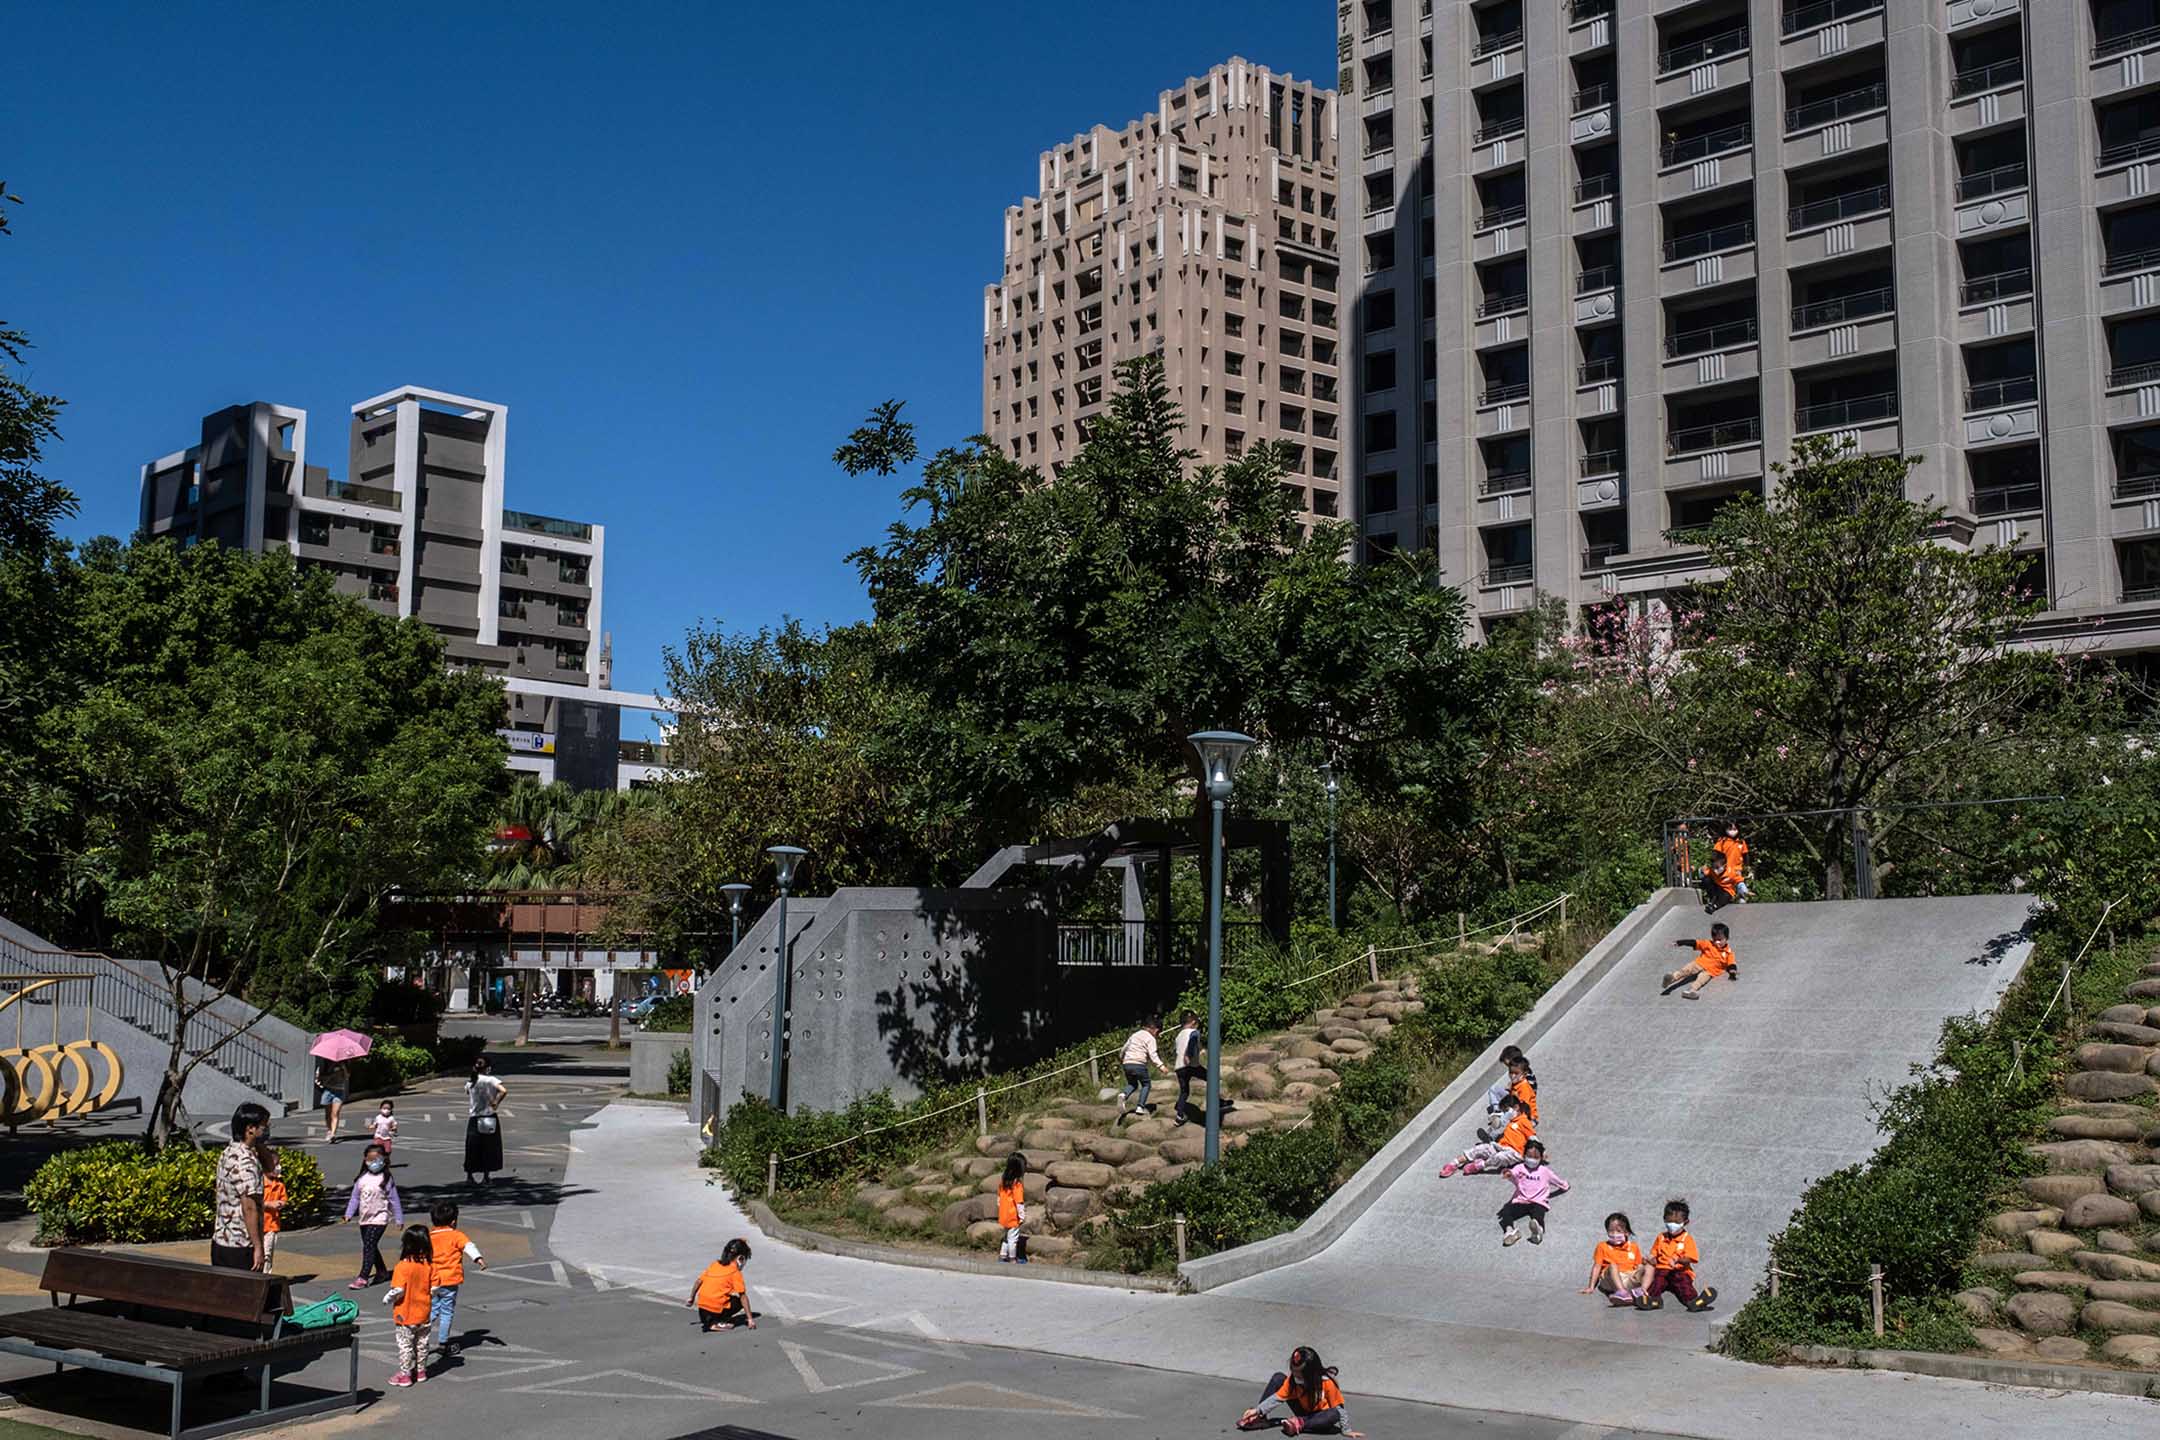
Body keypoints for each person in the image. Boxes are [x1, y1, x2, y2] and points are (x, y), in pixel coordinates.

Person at [1236, 1346, 1358, 1436]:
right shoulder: (1293, 1380)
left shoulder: (1327, 1383)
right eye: (1293, 1372)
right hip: (1302, 1410)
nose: (1295, 1377)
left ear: (1311, 1374)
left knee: (1334, 1413)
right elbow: (1277, 1398)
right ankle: (1260, 1419)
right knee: (1278, 1378)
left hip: (1318, 1419)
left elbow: (1340, 1410)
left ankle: (1298, 1424)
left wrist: (1346, 1430)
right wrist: (1258, 1410)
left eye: (1299, 1375)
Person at [427, 1200, 488, 1361]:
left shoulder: (428, 1236)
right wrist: (478, 1259)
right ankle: (443, 1343)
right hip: (450, 1281)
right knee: (446, 1312)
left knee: (432, 1310)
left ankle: (421, 1337)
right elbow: (469, 1246)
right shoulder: (456, 1235)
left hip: (431, 1280)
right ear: (453, 1221)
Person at [213, 1103, 270, 1272]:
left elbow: (270, 1167)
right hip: (241, 1245)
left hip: (222, 1240)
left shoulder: (230, 1151)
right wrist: (258, 1247)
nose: (267, 1130)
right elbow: (249, 1207)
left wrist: (258, 1144)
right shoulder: (245, 1163)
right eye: (264, 1126)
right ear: (250, 1129)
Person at [342, 1143, 403, 1289]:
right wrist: (348, 1214)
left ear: (384, 1160)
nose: (374, 1163)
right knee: (370, 1246)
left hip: (380, 1218)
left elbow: (394, 1200)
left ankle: (363, 1277)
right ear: (365, 1159)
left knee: (369, 1245)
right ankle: (381, 1271)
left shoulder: (386, 1179)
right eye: (371, 1159)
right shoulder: (362, 1179)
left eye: (378, 1160)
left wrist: (399, 1218)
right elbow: (355, 1198)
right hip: (365, 1219)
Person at [1640, 1198, 1717, 1313]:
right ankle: (1653, 1300)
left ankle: (1694, 1301)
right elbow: (1654, 1255)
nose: (1673, 1225)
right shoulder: (1661, 1237)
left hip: (1679, 1271)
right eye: (1670, 1222)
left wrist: (1678, 1260)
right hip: (1662, 1271)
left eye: (1677, 1223)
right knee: (1658, 1280)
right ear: (1664, 1220)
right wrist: (1649, 1259)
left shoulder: (1687, 1239)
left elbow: (1691, 1258)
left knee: (1682, 1282)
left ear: (1685, 1222)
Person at [383, 1224, 436, 1386]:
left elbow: (398, 1290)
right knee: (422, 1343)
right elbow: (435, 1288)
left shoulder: (402, 1266)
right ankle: (421, 1371)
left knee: (405, 1345)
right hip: (424, 1312)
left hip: (405, 1314)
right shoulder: (429, 1265)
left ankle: (405, 1374)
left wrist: (387, 1298)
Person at [1437, 1092, 1534, 1177]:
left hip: (1515, 1153)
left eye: (1506, 1110)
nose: (1504, 1114)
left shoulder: (1524, 1121)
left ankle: (1480, 1165)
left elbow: (1532, 1137)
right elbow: (1498, 1129)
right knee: (1480, 1149)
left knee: (1499, 1157)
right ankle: (1454, 1163)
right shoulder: (1510, 1122)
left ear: (1516, 1108)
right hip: (1500, 1147)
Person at [1497, 1139, 1569, 1246]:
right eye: (1529, 1156)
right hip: (1521, 1201)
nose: (1532, 1160)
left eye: (1535, 1157)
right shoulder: (1520, 1168)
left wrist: (1564, 1185)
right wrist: (1508, 1173)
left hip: (1538, 1202)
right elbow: (1513, 1173)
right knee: (1506, 1212)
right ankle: (1510, 1231)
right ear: (1524, 1155)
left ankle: (1538, 1232)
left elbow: (1557, 1181)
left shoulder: (1545, 1171)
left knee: (1538, 1215)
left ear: (1541, 1158)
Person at [686, 1238, 756, 1332]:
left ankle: (712, 1321)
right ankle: (717, 1322)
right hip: (714, 1310)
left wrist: (691, 1298)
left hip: (702, 1308)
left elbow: (698, 1282)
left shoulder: (714, 1265)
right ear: (740, 1258)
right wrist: (750, 1319)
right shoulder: (735, 1272)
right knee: (738, 1301)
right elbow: (743, 1296)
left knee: (725, 1298)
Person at [1582, 1211, 1651, 1306]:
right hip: (1610, 1279)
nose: (1614, 1234)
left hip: (1628, 1278)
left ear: (1626, 1232)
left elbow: (1637, 1267)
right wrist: (1591, 1287)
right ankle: (1622, 1293)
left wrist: (1645, 1265)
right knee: (1613, 1266)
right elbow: (1597, 1267)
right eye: (1611, 1231)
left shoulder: (1633, 1247)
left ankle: (1641, 1291)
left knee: (1649, 1266)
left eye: (1618, 1231)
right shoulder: (1602, 1246)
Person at [1661, 923, 1738, 1000]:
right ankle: (1671, 978)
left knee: (1701, 980)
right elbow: (1695, 942)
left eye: (1720, 940)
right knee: (1686, 970)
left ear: (1727, 938)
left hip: (1710, 971)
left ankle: (1690, 991)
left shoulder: (1728, 952)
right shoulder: (1708, 944)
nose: (1717, 942)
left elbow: (1731, 963)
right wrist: (1680, 942)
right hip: (1699, 963)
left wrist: (1732, 973)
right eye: (1715, 940)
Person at [464, 1056, 507, 1185]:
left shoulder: (470, 1082)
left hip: (474, 1117)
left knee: (472, 1147)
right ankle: (486, 1177)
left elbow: (468, 1093)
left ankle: (470, 1177)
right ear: (487, 1068)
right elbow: (504, 1091)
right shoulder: (491, 1080)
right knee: (488, 1147)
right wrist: (496, 1102)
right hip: (488, 1116)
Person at [1117, 1018, 1171, 1118]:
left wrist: (1121, 1058)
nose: (1158, 1034)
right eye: (1158, 1032)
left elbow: (1124, 1049)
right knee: (1146, 1084)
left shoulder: (1134, 1035)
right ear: (1155, 1029)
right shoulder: (1150, 1038)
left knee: (1132, 1084)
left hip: (1127, 1064)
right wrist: (1161, 1066)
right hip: (1139, 1064)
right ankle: (1140, 1107)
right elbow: (1153, 1055)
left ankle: (1123, 1095)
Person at [1477, 1046, 1535, 1140]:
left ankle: (1493, 1134)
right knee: (1493, 1089)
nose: (1511, 1074)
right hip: (1514, 1098)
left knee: (1507, 1116)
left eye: (1509, 1066)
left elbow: (1524, 1102)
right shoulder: (1518, 1075)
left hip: (1522, 1108)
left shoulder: (1526, 1082)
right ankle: (1497, 1111)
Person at [1171, 1009, 1207, 1126]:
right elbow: (1191, 1042)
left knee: (1184, 1092)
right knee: (1212, 1078)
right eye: (1197, 1022)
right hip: (1191, 1065)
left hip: (1179, 1067)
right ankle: (1218, 1103)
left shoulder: (1178, 1036)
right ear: (1193, 1022)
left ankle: (1179, 1116)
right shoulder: (1194, 1032)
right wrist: (1189, 1055)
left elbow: (1177, 1050)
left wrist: (1199, 1050)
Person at [996, 1154, 1029, 1264]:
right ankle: (1012, 1259)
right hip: (1012, 1216)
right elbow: (1019, 1202)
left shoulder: (1003, 1182)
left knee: (1006, 1237)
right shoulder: (1017, 1185)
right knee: (1013, 1239)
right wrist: (1022, 1216)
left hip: (1003, 1215)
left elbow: (999, 1199)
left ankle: (1002, 1256)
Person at [258, 1150, 287, 1275]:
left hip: (272, 1226)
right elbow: (254, 1203)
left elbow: (284, 1199)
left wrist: (281, 1204)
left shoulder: (279, 1185)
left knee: (267, 1253)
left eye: (278, 1164)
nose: (278, 1168)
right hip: (258, 1225)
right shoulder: (258, 1184)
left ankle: (266, 1275)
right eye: (275, 1165)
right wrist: (269, 1205)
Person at [1713, 821, 1753, 903]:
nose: (1733, 831)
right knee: (1726, 887)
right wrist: (1717, 866)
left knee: (1739, 882)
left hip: (1737, 869)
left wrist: (1747, 867)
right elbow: (1715, 854)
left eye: (1735, 829)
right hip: (1725, 869)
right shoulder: (1722, 841)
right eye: (1730, 829)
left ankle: (1743, 896)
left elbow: (1745, 855)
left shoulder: (1741, 842)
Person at [316, 1058, 351, 1144]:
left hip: (339, 1091)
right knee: (328, 1114)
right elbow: (320, 1078)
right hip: (328, 1090)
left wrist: (343, 1068)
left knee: (335, 1113)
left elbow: (347, 1077)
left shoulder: (345, 1064)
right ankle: (329, 1130)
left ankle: (333, 1134)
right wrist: (332, 1074)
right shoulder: (326, 1064)